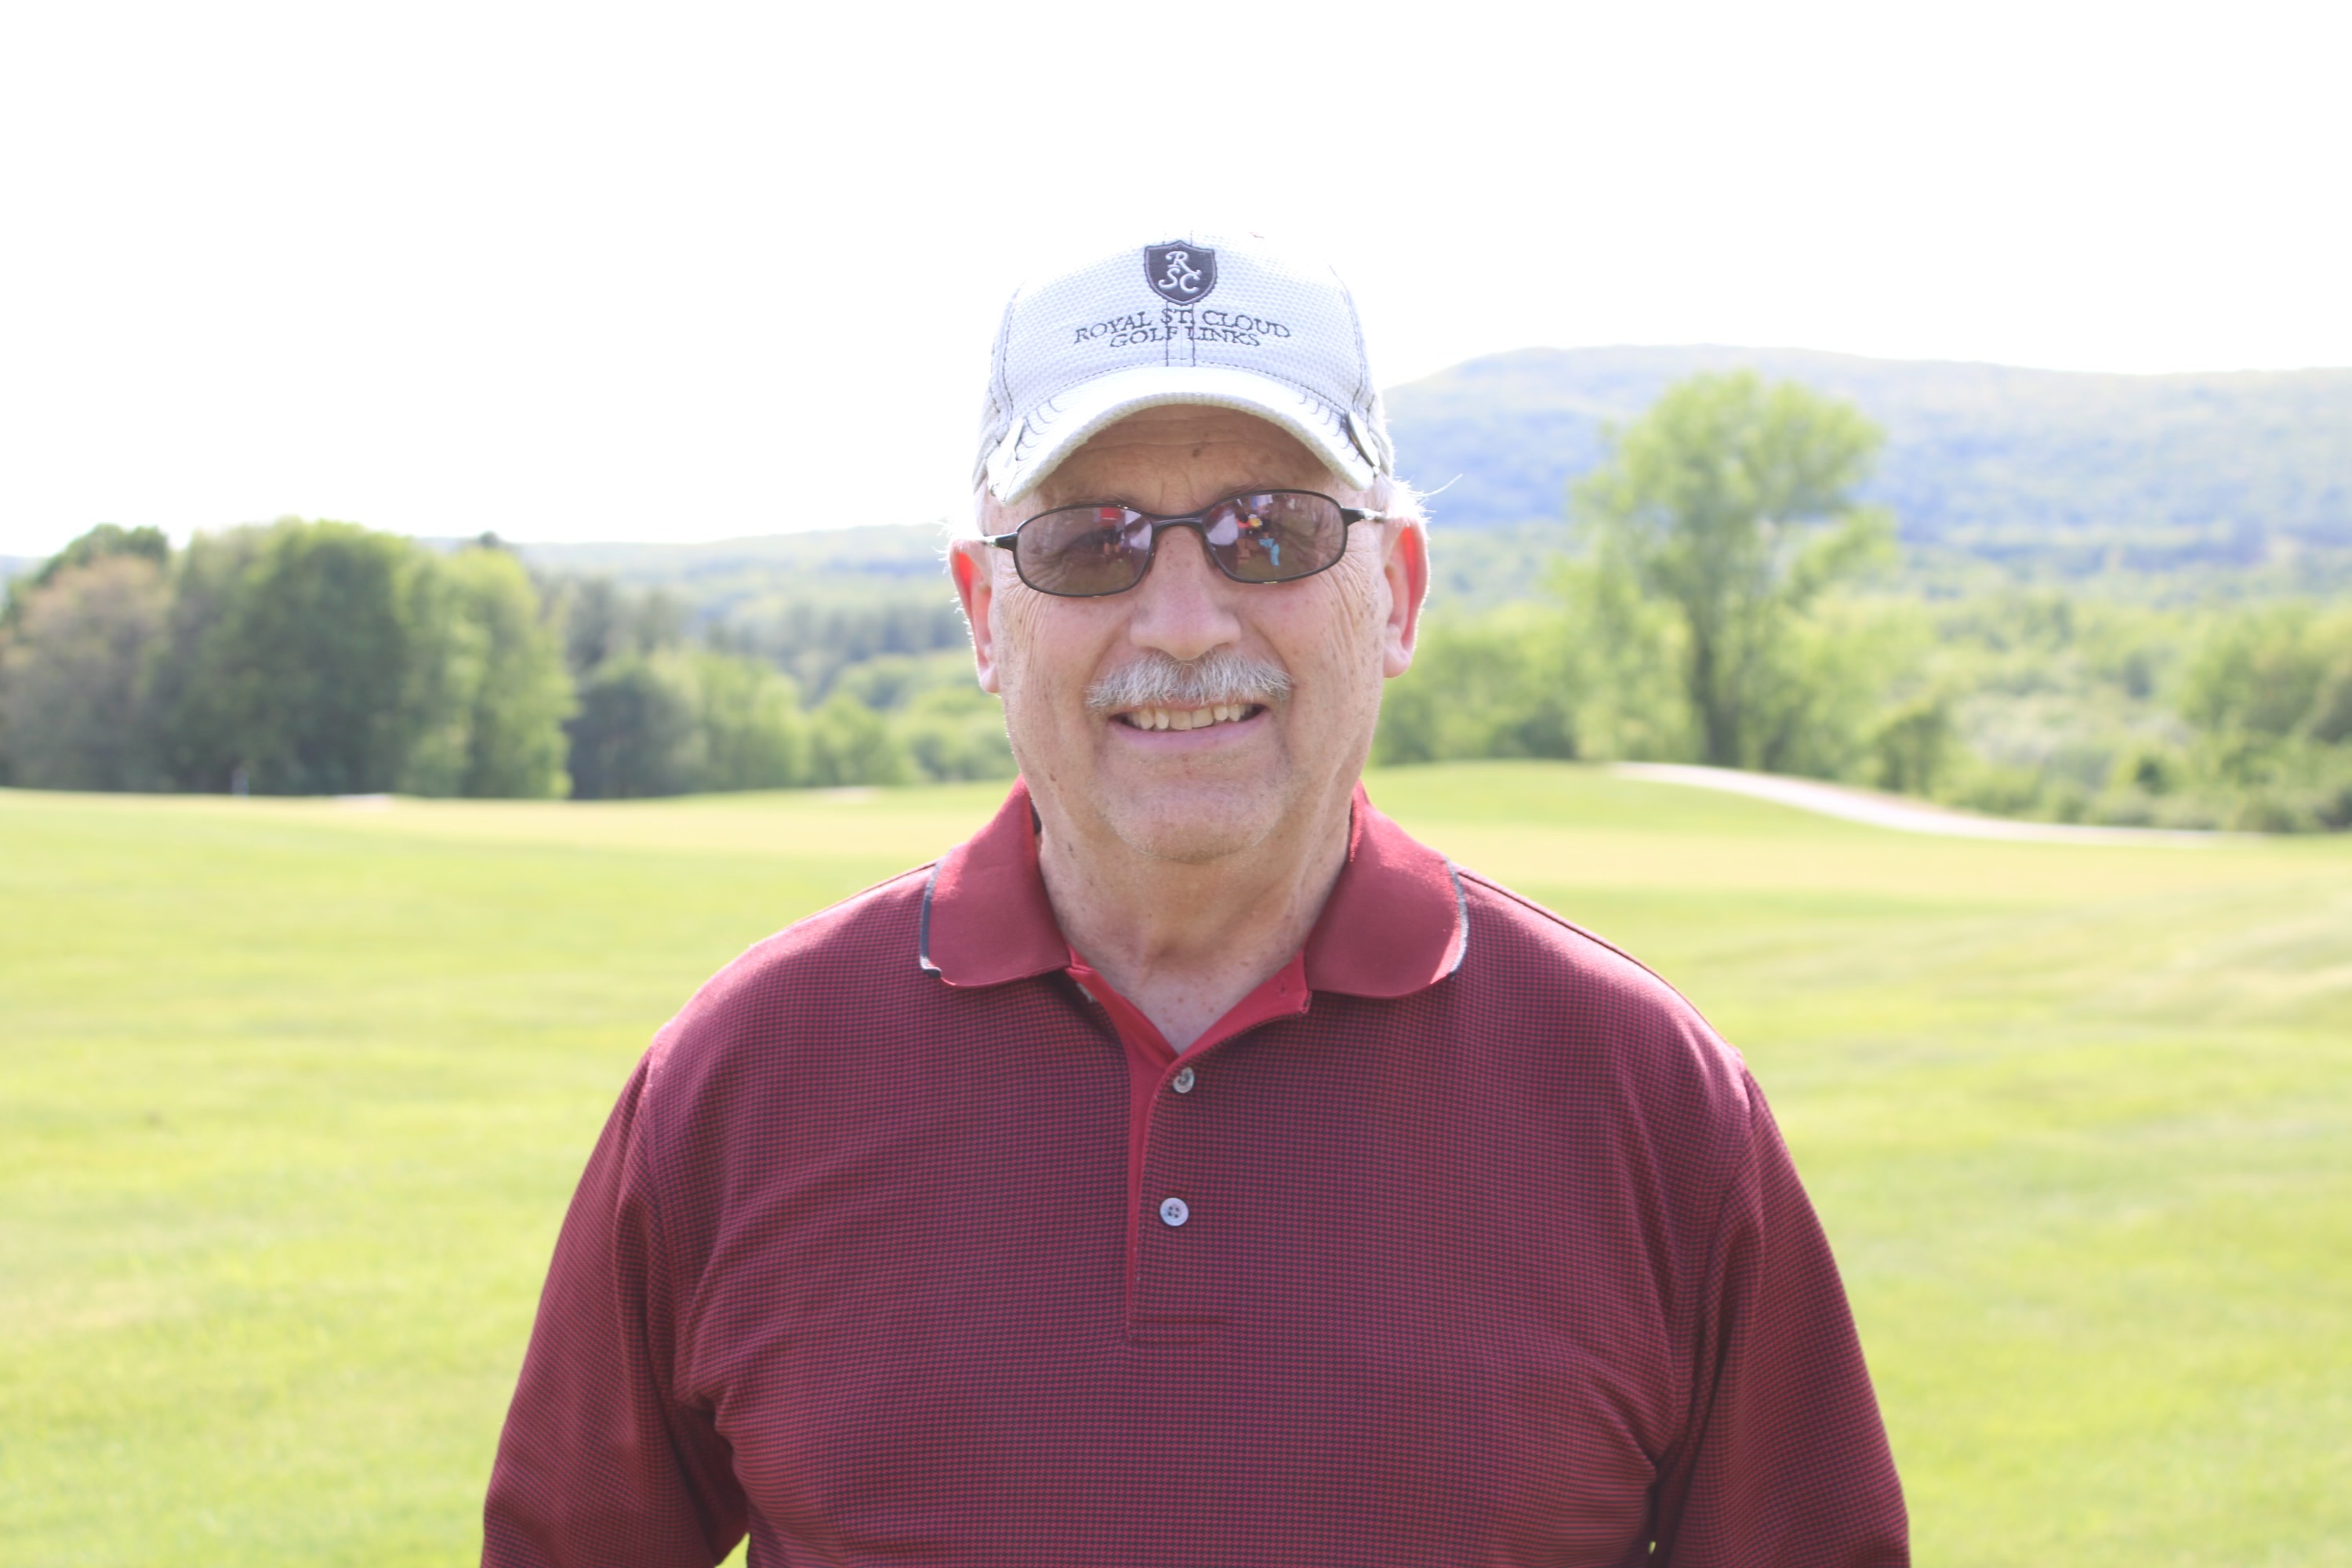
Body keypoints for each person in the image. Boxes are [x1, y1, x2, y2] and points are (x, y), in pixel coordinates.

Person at [483, 231, 1908, 1566]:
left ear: (1398, 593)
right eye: (1091, 543)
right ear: (984, 614)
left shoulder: (1651, 1100)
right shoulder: (743, 1077)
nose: (1181, 624)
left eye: (1269, 534)